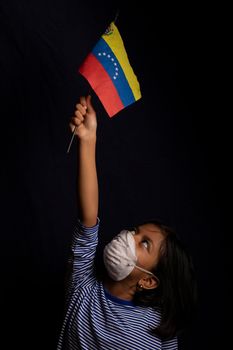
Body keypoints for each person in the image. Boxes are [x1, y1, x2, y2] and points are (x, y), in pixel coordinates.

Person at [57, 95, 197, 350]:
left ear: (149, 281)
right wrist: (88, 140)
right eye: (135, 231)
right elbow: (88, 220)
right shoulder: (83, 288)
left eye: (144, 243)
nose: (129, 236)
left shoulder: (160, 331)